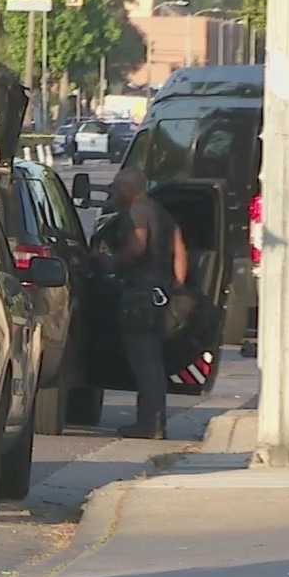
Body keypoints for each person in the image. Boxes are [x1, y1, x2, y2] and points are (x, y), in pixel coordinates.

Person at [97, 167, 184, 439]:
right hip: (159, 291)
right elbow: (179, 248)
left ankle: (149, 425)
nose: (112, 192)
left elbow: (136, 247)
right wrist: (177, 287)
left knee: (143, 360)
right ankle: (155, 421)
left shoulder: (136, 212)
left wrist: (110, 261)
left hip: (140, 294)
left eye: (115, 187)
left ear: (126, 190)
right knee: (154, 363)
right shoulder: (161, 212)